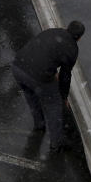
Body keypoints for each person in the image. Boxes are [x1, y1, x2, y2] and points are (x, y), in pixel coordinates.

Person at [11, 21, 85, 152]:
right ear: (79, 38)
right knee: (53, 105)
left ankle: (39, 124)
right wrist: (63, 97)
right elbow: (65, 76)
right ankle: (56, 142)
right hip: (38, 75)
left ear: (66, 28)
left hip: (18, 66)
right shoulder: (72, 49)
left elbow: (41, 50)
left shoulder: (52, 31)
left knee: (31, 95)